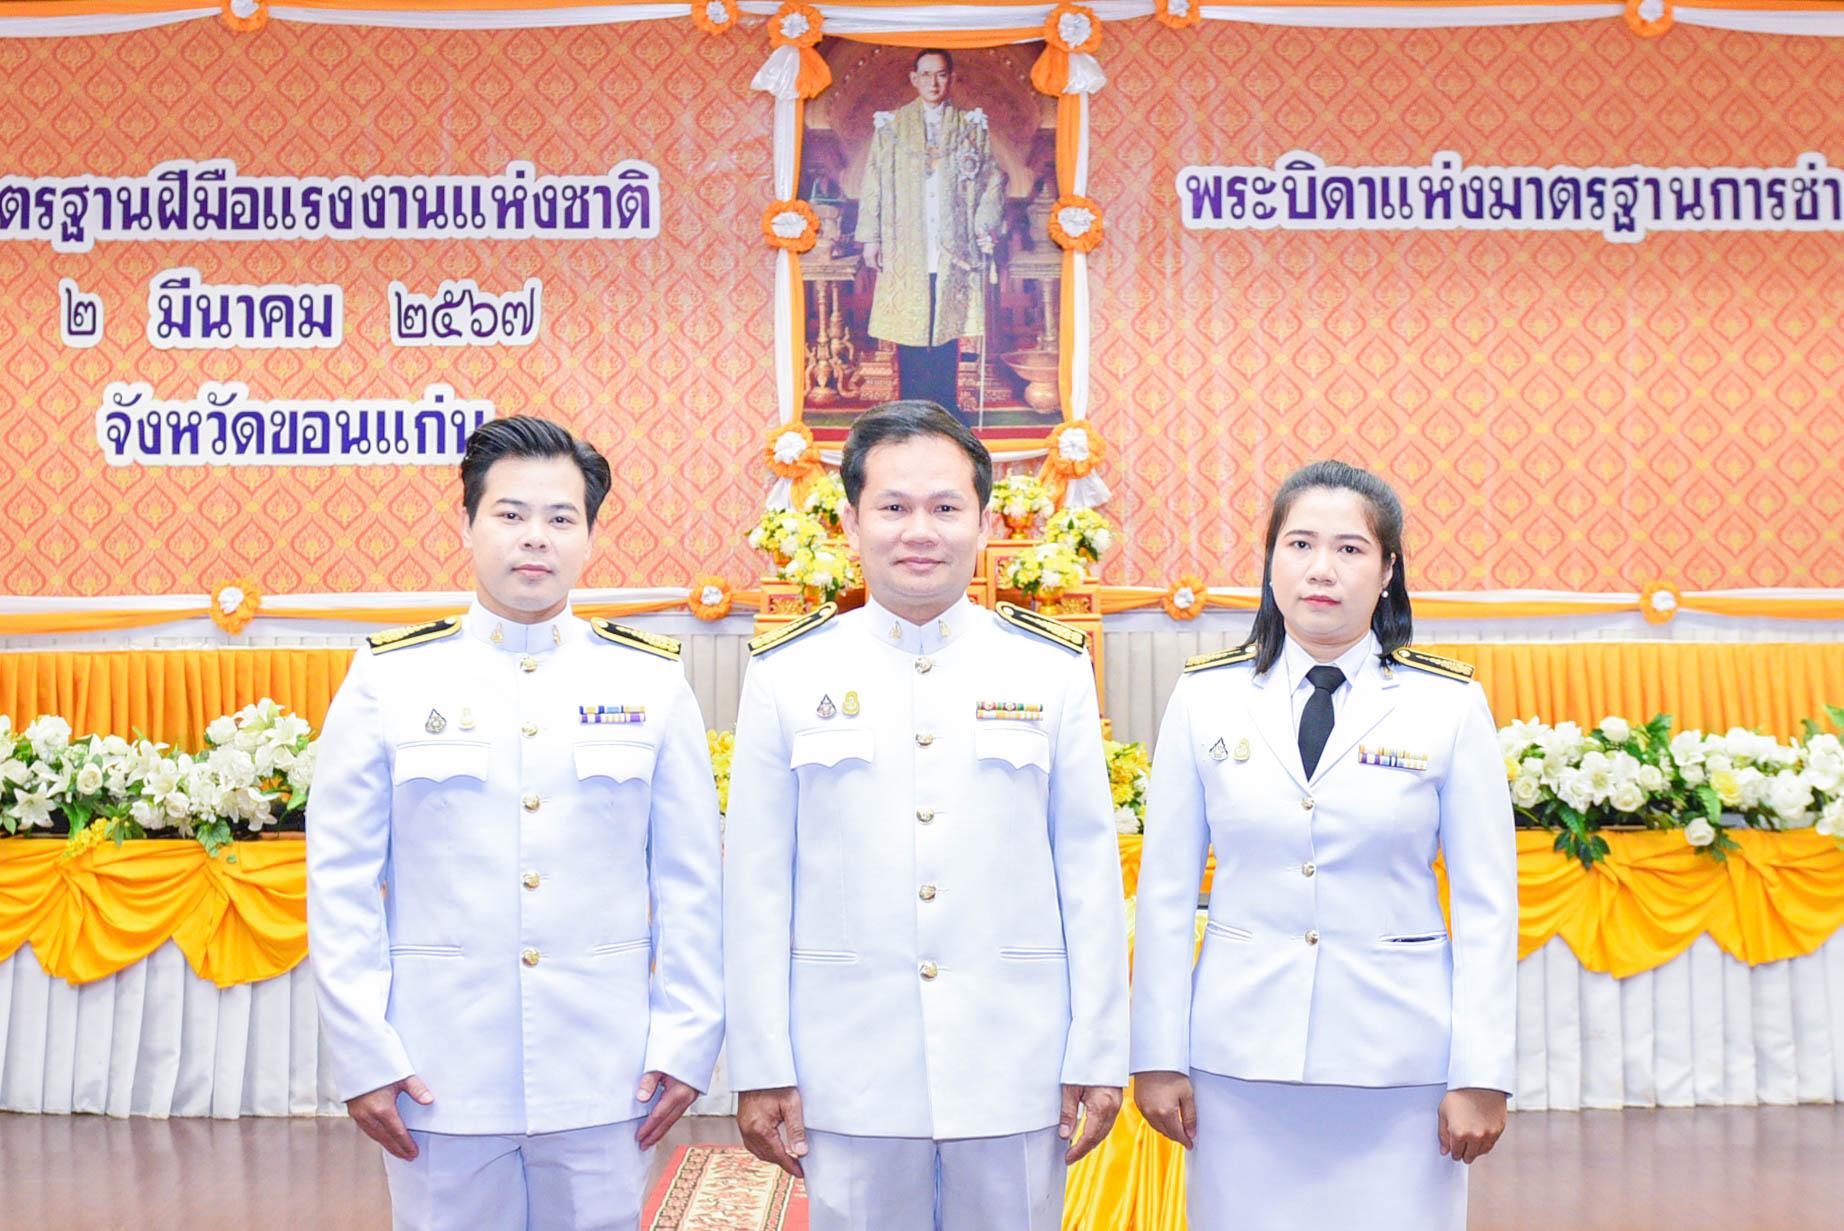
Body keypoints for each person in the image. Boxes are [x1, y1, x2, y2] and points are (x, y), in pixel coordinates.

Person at [307, 416, 725, 1231]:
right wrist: (364, 1052)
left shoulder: (648, 681)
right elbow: (341, 880)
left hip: (607, 1070)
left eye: (561, 517)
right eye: (510, 513)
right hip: (438, 1070)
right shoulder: (390, 678)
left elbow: (689, 881)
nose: (536, 536)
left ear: (590, 537)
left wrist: (686, 1038)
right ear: (467, 524)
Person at [723, 400, 1128, 1231]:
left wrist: (1096, 1050)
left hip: (1015, 1060)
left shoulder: (1049, 669)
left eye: (945, 507)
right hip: (847, 1065)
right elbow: (756, 887)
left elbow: (1089, 876)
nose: (920, 530)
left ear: (984, 520)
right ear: (850, 521)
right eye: (893, 506)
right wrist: (762, 1063)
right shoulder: (787, 675)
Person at [1129, 460, 1516, 1231]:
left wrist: (1482, 1071)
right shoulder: (1206, 697)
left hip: (1399, 1067)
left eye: (1349, 549)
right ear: (1271, 559)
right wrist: (1156, 1055)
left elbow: (1487, 904)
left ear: (1387, 570)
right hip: (1239, 1064)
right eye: (1300, 543)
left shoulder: (1447, 704)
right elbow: (1166, 893)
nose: (1321, 569)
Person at [855, 50, 1007, 422]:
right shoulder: (891, 127)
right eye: (926, 75)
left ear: (950, 78)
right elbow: (873, 182)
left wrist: (984, 225)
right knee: (911, 322)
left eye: (940, 74)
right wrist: (871, 238)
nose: (933, 83)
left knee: (946, 321)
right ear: (914, 79)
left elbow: (991, 181)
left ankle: (943, 408)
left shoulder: (971, 126)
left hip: (953, 242)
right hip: (906, 240)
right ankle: (910, 407)